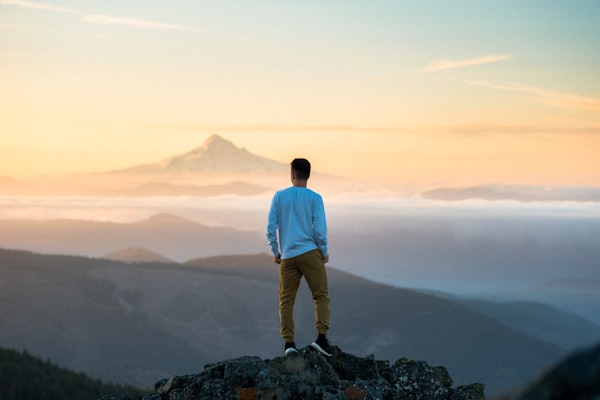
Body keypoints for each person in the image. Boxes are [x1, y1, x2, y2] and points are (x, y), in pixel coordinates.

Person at [266, 158, 332, 357]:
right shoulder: (315, 198)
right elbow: (319, 230)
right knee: (320, 296)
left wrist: (276, 251)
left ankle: (289, 344)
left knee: (286, 301)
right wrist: (324, 251)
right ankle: (321, 339)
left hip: (287, 256)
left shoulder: (279, 196)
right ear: (309, 175)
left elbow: (270, 228)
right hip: (310, 253)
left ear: (292, 174)